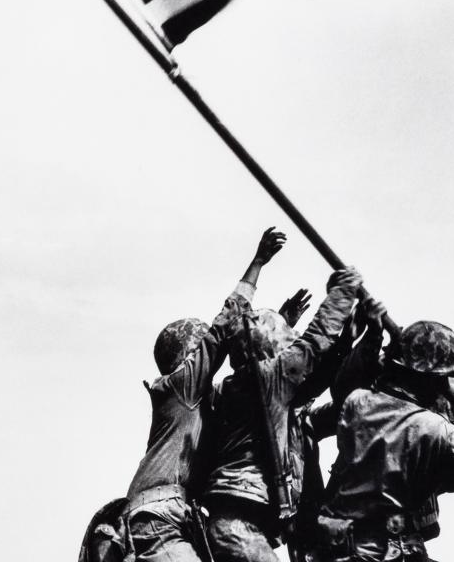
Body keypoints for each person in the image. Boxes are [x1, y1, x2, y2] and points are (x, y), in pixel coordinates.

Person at [79, 227, 298, 562]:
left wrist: (275, 330)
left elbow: (253, 382)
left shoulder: (202, 401)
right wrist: (257, 264)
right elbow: (223, 330)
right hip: (156, 519)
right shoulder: (179, 388)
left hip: (177, 519)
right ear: (186, 354)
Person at [315, 319, 454, 562]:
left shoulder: (357, 401)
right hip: (379, 551)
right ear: (432, 378)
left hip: (335, 546)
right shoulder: (432, 429)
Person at [201, 267, 364, 562]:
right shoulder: (263, 380)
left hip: (242, 523)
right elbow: (313, 345)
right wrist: (343, 292)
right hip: (237, 525)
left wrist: (345, 343)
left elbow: (314, 379)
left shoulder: (257, 387)